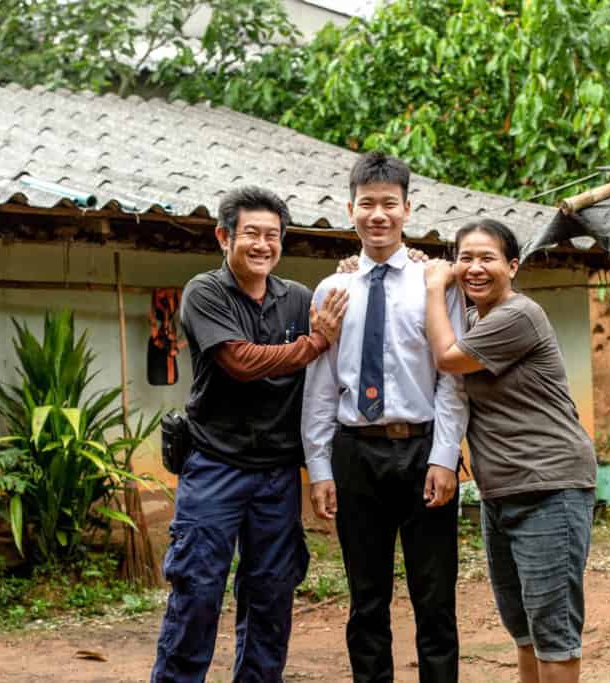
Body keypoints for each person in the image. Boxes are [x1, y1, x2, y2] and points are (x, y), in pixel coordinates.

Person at [152, 186, 348, 683]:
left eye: (273, 236)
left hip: (277, 472)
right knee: (196, 589)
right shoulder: (206, 292)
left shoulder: (298, 298)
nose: (263, 245)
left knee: (271, 593)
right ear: (224, 237)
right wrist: (314, 343)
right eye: (252, 234)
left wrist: (364, 270)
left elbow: (348, 312)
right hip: (215, 465)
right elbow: (239, 361)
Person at [302, 151, 469, 682]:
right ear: (350, 209)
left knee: (435, 599)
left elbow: (452, 380)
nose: (378, 214)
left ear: (407, 209)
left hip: (422, 451)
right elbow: (322, 385)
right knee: (366, 601)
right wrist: (321, 467)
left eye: (389, 204)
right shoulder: (333, 289)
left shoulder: (433, 285)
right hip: (356, 455)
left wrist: (445, 458)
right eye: (367, 204)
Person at [422, 219, 597, 683]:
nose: (474, 268)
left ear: (512, 266)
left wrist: (434, 286)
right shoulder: (478, 319)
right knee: (523, 628)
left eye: (487, 258)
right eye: (465, 259)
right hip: (501, 491)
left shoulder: (518, 316)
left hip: (549, 485)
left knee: (552, 629)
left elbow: (446, 357)